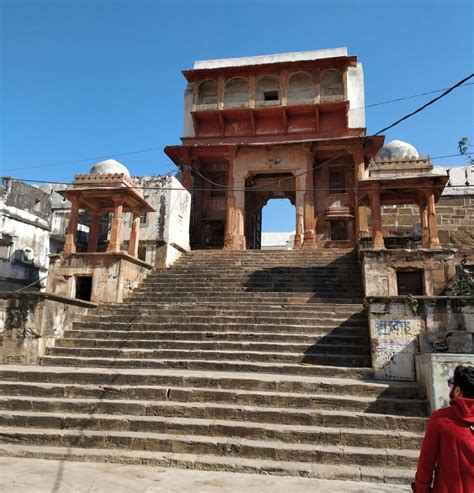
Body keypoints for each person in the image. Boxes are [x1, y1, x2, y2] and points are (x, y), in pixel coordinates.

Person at [412, 364, 474, 493]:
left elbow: (426, 464)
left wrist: (421, 490)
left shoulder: (441, 419)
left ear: (457, 391)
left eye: (451, 384)